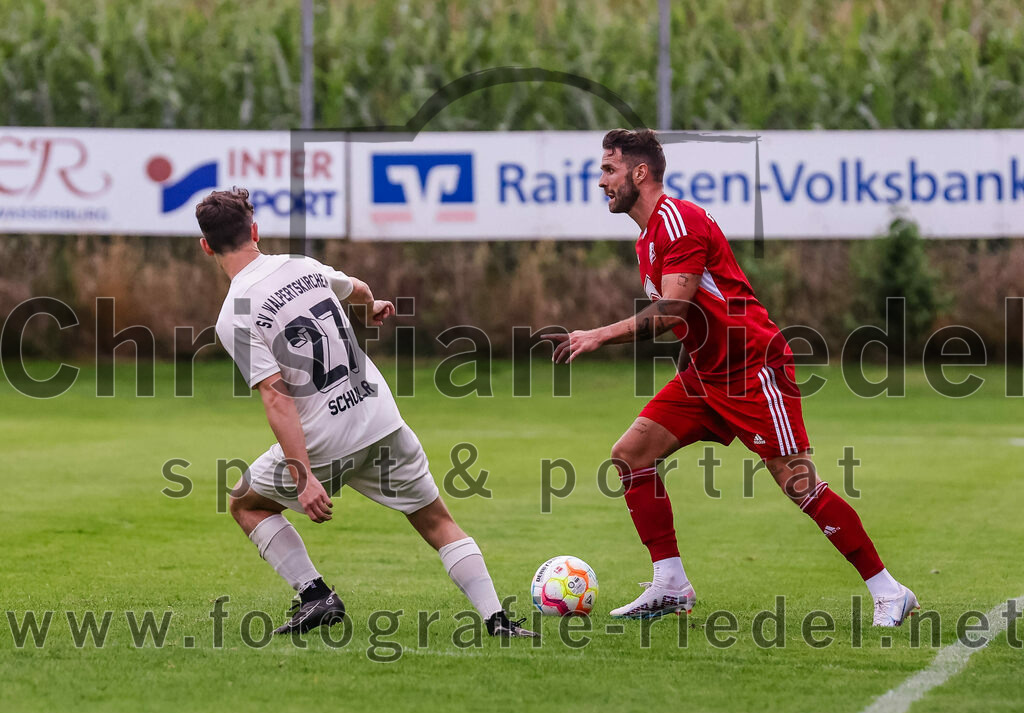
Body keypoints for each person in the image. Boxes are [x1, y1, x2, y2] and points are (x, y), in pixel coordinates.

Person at [543, 129, 917, 626]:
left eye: (608, 170)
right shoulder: (647, 237)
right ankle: (671, 583)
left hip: (754, 370)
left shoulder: (679, 222)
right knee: (631, 454)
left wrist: (598, 335)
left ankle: (889, 591)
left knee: (799, 483)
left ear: (639, 173)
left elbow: (672, 309)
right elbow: (690, 320)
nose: (600, 182)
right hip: (706, 376)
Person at [196, 187, 534, 638]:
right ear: (254, 230)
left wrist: (303, 476)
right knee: (437, 521)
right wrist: (370, 307)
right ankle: (497, 620)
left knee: (245, 503)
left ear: (206, 246)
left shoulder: (233, 314)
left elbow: (277, 398)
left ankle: (315, 595)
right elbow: (357, 289)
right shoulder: (303, 266)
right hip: (380, 416)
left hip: (325, 439)